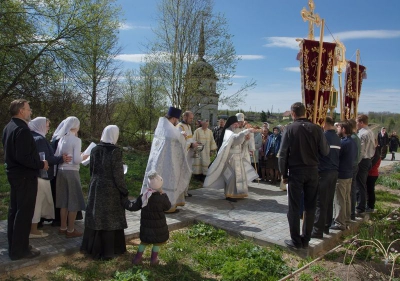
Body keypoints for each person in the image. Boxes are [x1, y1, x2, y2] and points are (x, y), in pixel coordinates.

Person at [278, 102, 329, 250]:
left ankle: (295, 240)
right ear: (304, 112)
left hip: (296, 172)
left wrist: (283, 173)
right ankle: (306, 239)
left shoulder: (290, 129)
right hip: (313, 171)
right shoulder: (317, 129)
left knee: (294, 207)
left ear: (293, 114)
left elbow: (282, 154)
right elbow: (325, 151)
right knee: (310, 206)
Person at [2, 99, 49, 260]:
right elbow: (23, 157)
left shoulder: (9, 127)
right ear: (21, 111)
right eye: (28, 109)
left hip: (14, 174)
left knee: (14, 211)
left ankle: (17, 245)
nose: (30, 112)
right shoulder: (22, 130)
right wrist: (41, 164)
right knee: (24, 213)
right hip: (24, 176)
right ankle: (20, 251)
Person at [81, 125, 129, 260]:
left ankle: (91, 248)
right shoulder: (115, 152)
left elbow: (91, 169)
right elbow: (118, 175)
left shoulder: (95, 149)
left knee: (97, 216)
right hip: (110, 189)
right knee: (109, 219)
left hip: (96, 186)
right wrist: (123, 190)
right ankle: (108, 251)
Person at [141, 106, 191, 213]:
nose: (176, 122)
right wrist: (182, 136)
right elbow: (177, 141)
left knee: (155, 183)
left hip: (156, 162)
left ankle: (151, 203)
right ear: (174, 118)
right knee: (168, 181)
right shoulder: (169, 128)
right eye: (176, 120)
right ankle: (168, 206)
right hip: (168, 163)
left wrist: (180, 134)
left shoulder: (161, 126)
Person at [28, 117, 68, 238]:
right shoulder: (39, 139)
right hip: (41, 175)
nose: (48, 128)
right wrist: (61, 159)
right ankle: (33, 230)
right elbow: (46, 158)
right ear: (40, 126)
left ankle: (33, 228)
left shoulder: (32, 136)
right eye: (47, 125)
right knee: (38, 203)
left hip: (34, 175)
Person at [203, 115, 258, 202]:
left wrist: (246, 139)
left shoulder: (236, 131)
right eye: (235, 124)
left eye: (237, 124)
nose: (236, 126)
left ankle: (239, 193)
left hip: (238, 157)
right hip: (230, 158)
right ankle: (229, 194)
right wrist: (246, 131)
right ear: (231, 124)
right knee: (230, 177)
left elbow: (240, 143)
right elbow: (235, 139)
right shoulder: (228, 132)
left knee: (239, 177)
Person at [126, 171, 171, 265]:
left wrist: (125, 203)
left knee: (143, 242)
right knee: (156, 243)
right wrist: (164, 196)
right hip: (159, 227)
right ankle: (153, 260)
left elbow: (134, 207)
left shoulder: (144, 196)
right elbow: (167, 207)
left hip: (146, 226)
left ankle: (137, 259)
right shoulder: (162, 197)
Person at [54, 116, 89, 238]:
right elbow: (76, 160)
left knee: (63, 201)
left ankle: (63, 227)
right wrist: (84, 156)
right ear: (76, 126)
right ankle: (70, 229)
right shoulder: (76, 140)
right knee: (73, 201)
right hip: (72, 172)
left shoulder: (61, 139)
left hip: (61, 171)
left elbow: (57, 155)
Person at [311, 116, 340, 238]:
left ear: (325, 124)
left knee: (320, 202)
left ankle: (317, 230)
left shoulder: (324, 136)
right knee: (328, 201)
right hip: (334, 171)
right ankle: (326, 226)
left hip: (323, 171)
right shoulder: (337, 137)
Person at [330, 121, 357, 231]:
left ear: (344, 129)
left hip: (341, 173)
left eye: (339, 127)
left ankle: (339, 222)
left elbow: (337, 156)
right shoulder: (353, 141)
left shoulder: (344, 143)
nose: (337, 129)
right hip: (349, 173)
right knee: (346, 198)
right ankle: (346, 218)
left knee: (339, 199)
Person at [355, 114, 375, 215]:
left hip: (362, 160)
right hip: (368, 159)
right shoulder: (371, 132)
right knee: (362, 183)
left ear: (361, 123)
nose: (356, 124)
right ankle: (361, 204)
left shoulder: (363, 134)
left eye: (357, 122)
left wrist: (356, 162)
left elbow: (361, 151)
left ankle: (360, 206)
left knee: (359, 184)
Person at [177, 111, 199, 197]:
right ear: (185, 117)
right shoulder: (180, 127)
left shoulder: (189, 126)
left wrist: (195, 143)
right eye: (190, 118)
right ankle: (180, 192)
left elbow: (190, 139)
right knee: (182, 173)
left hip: (189, 154)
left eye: (192, 118)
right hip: (184, 154)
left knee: (188, 172)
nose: (192, 120)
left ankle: (185, 191)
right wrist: (191, 144)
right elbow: (180, 142)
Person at [348, 119, 361, 220]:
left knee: (350, 190)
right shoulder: (356, 137)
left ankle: (351, 212)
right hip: (355, 165)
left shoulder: (352, 138)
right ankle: (351, 212)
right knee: (352, 189)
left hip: (350, 166)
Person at [366, 140, 382, 213]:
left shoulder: (375, 153)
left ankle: (370, 206)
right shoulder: (374, 152)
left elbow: (371, 165)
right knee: (369, 190)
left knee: (370, 190)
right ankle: (369, 205)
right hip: (372, 173)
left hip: (372, 174)